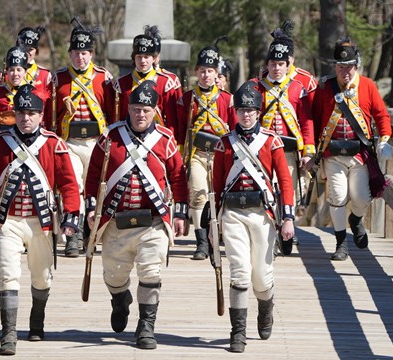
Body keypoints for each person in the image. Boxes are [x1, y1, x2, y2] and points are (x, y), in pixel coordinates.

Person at [85, 81, 189, 350]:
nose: (140, 115)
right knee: (114, 276)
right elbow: (93, 175)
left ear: (155, 111)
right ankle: (120, 300)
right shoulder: (110, 137)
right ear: (127, 109)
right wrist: (89, 209)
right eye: (135, 109)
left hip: (152, 221)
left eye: (145, 109)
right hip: (115, 220)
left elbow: (178, 177)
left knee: (151, 272)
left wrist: (181, 214)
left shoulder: (165, 141)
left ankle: (146, 327)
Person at [0, 84, 80, 355]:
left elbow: (69, 184)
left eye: (32, 113)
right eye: (21, 112)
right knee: (7, 275)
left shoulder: (54, 144)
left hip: (41, 221)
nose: (26, 118)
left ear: (41, 115)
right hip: (7, 221)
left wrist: (71, 214)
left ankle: (37, 320)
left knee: (42, 277)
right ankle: (8, 333)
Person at [212, 80, 294, 353]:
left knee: (261, 274)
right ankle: (238, 333)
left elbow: (284, 181)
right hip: (233, 213)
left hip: (262, 214)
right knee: (240, 272)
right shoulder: (225, 143)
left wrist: (288, 218)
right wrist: (212, 221)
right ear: (234, 113)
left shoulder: (271, 141)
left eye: (250, 110)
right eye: (241, 110)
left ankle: (266, 307)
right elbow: (217, 184)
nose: (245, 115)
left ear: (258, 112)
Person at [309, 38, 392, 261]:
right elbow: (314, 119)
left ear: (357, 65)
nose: (345, 71)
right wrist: (310, 151)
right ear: (335, 66)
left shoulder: (367, 86)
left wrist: (384, 139)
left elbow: (381, 115)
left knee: (362, 198)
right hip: (332, 154)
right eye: (340, 66)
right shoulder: (325, 87)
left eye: (349, 66)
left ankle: (355, 220)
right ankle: (340, 243)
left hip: (359, 153)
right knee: (337, 196)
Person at [48, 17, 113, 257]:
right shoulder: (59, 79)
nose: (80, 58)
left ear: (92, 54)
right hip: (70, 142)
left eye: (84, 53)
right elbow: (50, 114)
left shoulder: (103, 78)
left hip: (96, 142)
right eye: (76, 53)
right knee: (72, 186)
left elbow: (112, 111)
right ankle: (72, 235)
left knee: (95, 189)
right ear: (70, 54)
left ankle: (91, 233)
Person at [173, 39, 237, 260]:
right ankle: (201, 243)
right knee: (199, 196)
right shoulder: (187, 99)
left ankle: (219, 238)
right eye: (202, 71)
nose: (206, 75)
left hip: (220, 157)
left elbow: (234, 130)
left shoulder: (227, 100)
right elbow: (180, 131)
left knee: (221, 198)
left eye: (210, 71)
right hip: (197, 155)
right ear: (195, 72)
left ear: (216, 73)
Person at [254, 28, 315, 254]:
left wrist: (307, 151)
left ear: (288, 65)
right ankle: (274, 231)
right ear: (267, 65)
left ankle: (287, 229)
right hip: (264, 150)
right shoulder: (257, 87)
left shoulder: (298, 88)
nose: (277, 68)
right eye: (273, 64)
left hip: (290, 150)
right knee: (267, 191)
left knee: (289, 191)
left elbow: (306, 123)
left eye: (281, 64)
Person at [108, 26, 180, 127]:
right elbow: (117, 117)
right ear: (133, 58)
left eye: (146, 57)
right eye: (139, 57)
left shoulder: (166, 83)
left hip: (157, 137)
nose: (142, 61)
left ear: (154, 58)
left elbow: (172, 121)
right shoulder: (121, 84)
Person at [0, 46, 30, 133]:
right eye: (11, 70)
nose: (15, 74)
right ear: (7, 72)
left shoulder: (33, 92)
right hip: (2, 138)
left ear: (25, 72)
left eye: (19, 70)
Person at [16, 26, 53, 98]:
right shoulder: (5, 75)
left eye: (30, 49)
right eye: (23, 49)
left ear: (36, 50)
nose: (26, 53)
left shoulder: (45, 75)